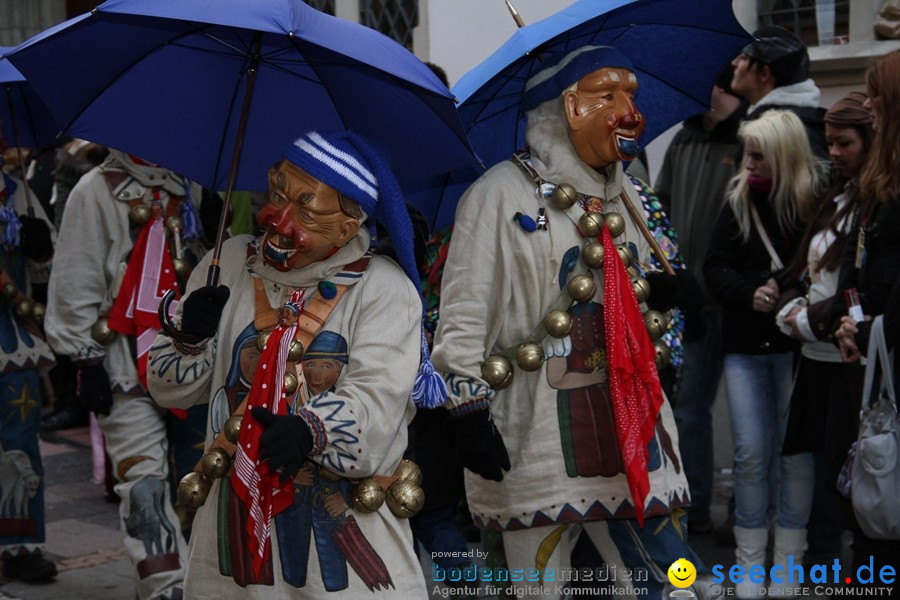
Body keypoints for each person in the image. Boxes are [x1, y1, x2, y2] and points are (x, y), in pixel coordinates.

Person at [430, 45, 706, 600]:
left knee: (676, 580)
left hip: (634, 426)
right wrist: (467, 414)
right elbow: (461, 317)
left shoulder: (623, 191)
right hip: (532, 440)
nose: (631, 110)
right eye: (610, 95)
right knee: (538, 588)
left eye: (631, 92)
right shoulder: (497, 195)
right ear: (570, 108)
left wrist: (660, 291)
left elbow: (628, 298)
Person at [147, 130, 440, 598]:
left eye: (306, 210)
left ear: (349, 227)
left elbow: (377, 405)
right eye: (277, 195)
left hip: (341, 550)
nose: (279, 219)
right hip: (232, 548)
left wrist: (308, 431)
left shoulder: (384, 290)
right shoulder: (226, 263)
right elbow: (167, 389)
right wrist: (190, 338)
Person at [44, 150, 212, 600]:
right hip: (120, 362)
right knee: (143, 482)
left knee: (198, 481)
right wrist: (84, 360)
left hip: (190, 364)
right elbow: (74, 276)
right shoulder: (94, 190)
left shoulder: (189, 185)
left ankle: (195, 581)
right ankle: (165, 588)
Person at [703, 109, 825, 598]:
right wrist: (749, 292)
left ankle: (788, 567)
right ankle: (751, 565)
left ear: (785, 155)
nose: (747, 164)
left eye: (759, 154)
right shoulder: (737, 201)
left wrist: (786, 292)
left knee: (794, 455)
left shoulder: (815, 202)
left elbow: (823, 268)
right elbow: (714, 265)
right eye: (747, 153)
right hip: (746, 347)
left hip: (799, 349)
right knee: (751, 452)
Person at [776, 91, 874, 568]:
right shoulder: (836, 194)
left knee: (850, 472)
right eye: (830, 142)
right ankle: (828, 564)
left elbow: (862, 287)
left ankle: (856, 570)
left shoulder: (874, 202)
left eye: (844, 143)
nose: (832, 152)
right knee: (820, 463)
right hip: (816, 355)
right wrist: (786, 299)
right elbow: (807, 268)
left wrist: (809, 320)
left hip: (848, 357)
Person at [653, 64, 747, 536]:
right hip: (693, 300)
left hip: (741, 299)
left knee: (749, 418)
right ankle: (695, 507)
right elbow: (661, 209)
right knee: (690, 409)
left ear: (715, 86)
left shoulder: (750, 137)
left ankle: (743, 515)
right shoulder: (684, 139)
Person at [831, 48, 900, 578]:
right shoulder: (880, 183)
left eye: (876, 95)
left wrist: (874, 327)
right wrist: (852, 320)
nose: (868, 105)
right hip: (877, 358)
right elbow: (861, 268)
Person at [0, 128, 58, 583]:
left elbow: (46, 269)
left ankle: (19, 545)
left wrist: (40, 244)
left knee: (19, 439)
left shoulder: (17, 192)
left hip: (12, 340)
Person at [730, 26, 828, 160]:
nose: (734, 63)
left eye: (744, 57)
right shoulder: (761, 118)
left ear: (764, 74)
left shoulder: (796, 129)